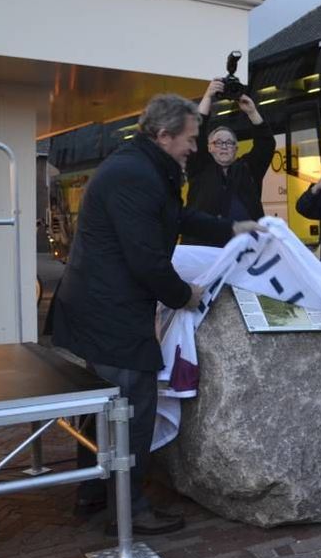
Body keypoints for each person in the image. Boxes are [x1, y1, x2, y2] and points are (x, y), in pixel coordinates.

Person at [52, 94, 260, 535]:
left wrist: (232, 228)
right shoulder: (136, 175)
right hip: (109, 314)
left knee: (104, 406)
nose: (193, 147)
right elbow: (146, 258)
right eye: (188, 138)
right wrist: (184, 295)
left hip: (97, 309)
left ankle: (94, 493)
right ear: (164, 135)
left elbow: (175, 216)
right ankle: (128, 511)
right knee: (132, 406)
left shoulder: (142, 165)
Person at [183, 78, 275, 245]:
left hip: (247, 249)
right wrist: (208, 96)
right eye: (218, 142)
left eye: (229, 142)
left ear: (236, 148)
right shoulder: (199, 167)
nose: (224, 146)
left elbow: (266, 144)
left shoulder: (248, 169)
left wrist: (252, 112)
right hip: (205, 248)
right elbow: (197, 133)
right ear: (209, 148)